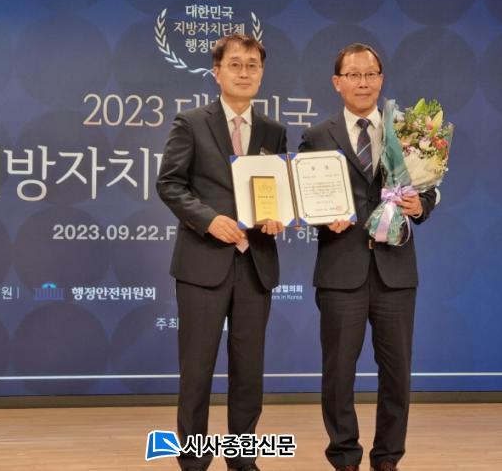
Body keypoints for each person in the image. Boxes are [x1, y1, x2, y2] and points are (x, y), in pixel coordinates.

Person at [299, 43, 437, 471]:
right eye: (354, 75)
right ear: (337, 82)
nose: (363, 82)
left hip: (395, 270)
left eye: (371, 74)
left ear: (381, 79)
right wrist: (322, 218)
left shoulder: (407, 131)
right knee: (338, 372)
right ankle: (344, 456)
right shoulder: (318, 135)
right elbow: (304, 195)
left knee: (396, 374)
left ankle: (388, 457)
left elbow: (429, 186)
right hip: (342, 270)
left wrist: (422, 205)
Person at [156, 33, 287, 471]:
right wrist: (208, 219)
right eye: (235, 64)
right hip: (202, 262)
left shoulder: (273, 131)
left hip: (256, 265)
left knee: (249, 372)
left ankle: (242, 458)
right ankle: (193, 461)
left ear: (261, 73)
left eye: (253, 65)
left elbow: (275, 191)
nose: (244, 72)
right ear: (217, 72)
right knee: (197, 370)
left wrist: (277, 215)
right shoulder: (191, 122)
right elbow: (169, 184)